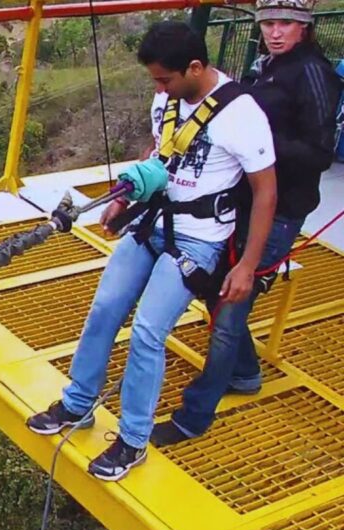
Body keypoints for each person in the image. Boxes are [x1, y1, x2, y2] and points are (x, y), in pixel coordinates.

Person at [25, 20, 278, 481]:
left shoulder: (242, 114)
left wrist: (245, 266)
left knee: (147, 330)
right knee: (104, 307)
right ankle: (78, 403)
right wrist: (124, 195)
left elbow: (265, 193)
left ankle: (133, 439)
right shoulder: (169, 97)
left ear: (195, 68)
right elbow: (161, 150)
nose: (159, 88)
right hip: (153, 219)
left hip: (199, 237)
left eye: (165, 79)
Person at [152, 0, 342, 446]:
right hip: (246, 203)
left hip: (279, 209)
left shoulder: (311, 74)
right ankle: (243, 372)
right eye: (269, 24)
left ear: (305, 28)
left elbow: (319, 152)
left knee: (229, 309)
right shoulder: (266, 68)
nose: (276, 32)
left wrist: (252, 138)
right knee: (216, 293)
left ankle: (194, 415)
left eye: (286, 25)